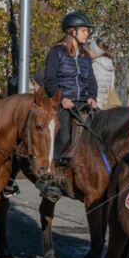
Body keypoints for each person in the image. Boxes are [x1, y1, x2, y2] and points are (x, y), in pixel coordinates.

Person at [43, 12, 97, 166]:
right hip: (64, 104)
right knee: (65, 136)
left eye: (87, 31)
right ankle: (55, 167)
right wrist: (62, 99)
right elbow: (49, 80)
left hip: (83, 103)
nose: (87, 34)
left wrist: (92, 97)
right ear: (73, 32)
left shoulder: (85, 56)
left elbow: (91, 81)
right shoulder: (56, 53)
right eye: (84, 30)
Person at [89, 40, 116, 108]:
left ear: (96, 50)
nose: (89, 52)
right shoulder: (111, 65)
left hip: (95, 103)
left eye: (91, 49)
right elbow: (112, 86)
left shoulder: (94, 65)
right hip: (107, 103)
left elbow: (91, 85)